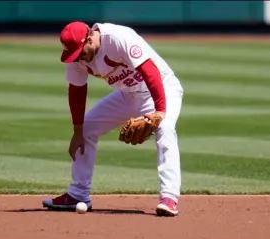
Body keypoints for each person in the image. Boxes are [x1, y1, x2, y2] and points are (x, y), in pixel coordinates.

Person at [42, 21, 184, 216]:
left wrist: (159, 111)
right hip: (127, 94)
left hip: (162, 89)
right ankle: (78, 194)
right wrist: (77, 132)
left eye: (80, 52)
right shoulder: (78, 58)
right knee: (87, 129)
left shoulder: (118, 38)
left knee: (165, 129)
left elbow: (150, 71)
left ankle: (169, 197)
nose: (79, 58)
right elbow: (76, 90)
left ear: (90, 38)